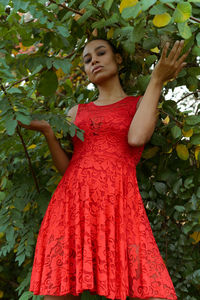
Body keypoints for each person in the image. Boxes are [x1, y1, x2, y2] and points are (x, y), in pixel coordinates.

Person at [18, 38, 189, 300]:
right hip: (71, 207)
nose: (94, 60)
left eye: (100, 53)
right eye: (87, 60)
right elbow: (70, 168)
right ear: (86, 72)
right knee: (58, 291)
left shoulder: (138, 104)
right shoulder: (76, 112)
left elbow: (136, 138)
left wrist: (157, 79)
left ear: (118, 59)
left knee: (156, 292)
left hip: (121, 207)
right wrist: (49, 132)